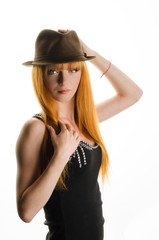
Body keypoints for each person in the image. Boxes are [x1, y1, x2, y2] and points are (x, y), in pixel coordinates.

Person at [16, 29, 143, 240]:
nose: (64, 81)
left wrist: (92, 54)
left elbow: (133, 94)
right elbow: (26, 212)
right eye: (53, 71)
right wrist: (60, 156)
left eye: (73, 70)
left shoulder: (85, 119)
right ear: (40, 74)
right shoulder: (37, 128)